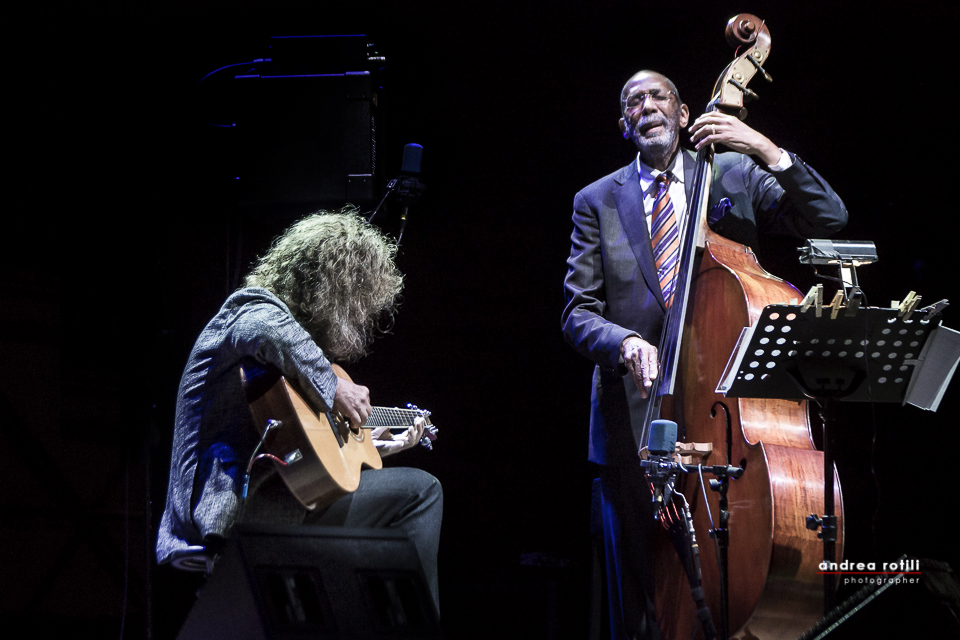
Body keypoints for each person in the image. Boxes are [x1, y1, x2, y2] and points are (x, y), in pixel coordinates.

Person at [561, 70, 847, 639]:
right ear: (624, 125)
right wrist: (625, 342)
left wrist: (764, 147)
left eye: (657, 96)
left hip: (730, 428)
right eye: (632, 101)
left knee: (731, 596)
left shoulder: (733, 174)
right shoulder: (596, 200)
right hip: (634, 428)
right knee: (641, 610)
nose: (646, 106)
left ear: (686, 112)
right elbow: (577, 311)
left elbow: (830, 220)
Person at [157, 210, 443, 608]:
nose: (359, 320)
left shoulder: (286, 367)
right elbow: (261, 328)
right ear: (334, 287)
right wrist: (333, 384)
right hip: (235, 514)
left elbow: (295, 450)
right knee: (421, 493)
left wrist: (364, 446)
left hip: (283, 500)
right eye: (357, 303)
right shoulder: (251, 306)